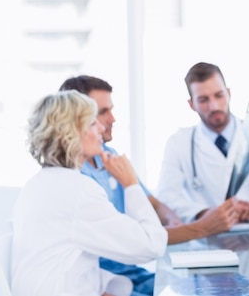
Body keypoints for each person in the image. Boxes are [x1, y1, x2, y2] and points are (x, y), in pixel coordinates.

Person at [59, 75, 239, 296]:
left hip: (132, 272)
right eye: (102, 112)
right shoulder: (75, 180)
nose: (112, 118)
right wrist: (203, 227)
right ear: (79, 119)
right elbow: (140, 241)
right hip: (103, 281)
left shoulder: (109, 156)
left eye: (111, 109)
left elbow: (152, 204)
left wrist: (173, 222)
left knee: (206, 289)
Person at [11, 90, 167, 296]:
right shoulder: (77, 190)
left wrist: (105, 289)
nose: (101, 128)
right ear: (72, 133)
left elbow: (66, 261)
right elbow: (151, 245)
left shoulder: (36, 185)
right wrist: (131, 184)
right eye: (93, 123)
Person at [157, 62, 249, 223]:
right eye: (203, 100)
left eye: (219, 95)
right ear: (191, 104)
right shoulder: (178, 143)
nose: (214, 106)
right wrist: (204, 213)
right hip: (206, 243)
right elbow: (166, 199)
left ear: (228, 94)